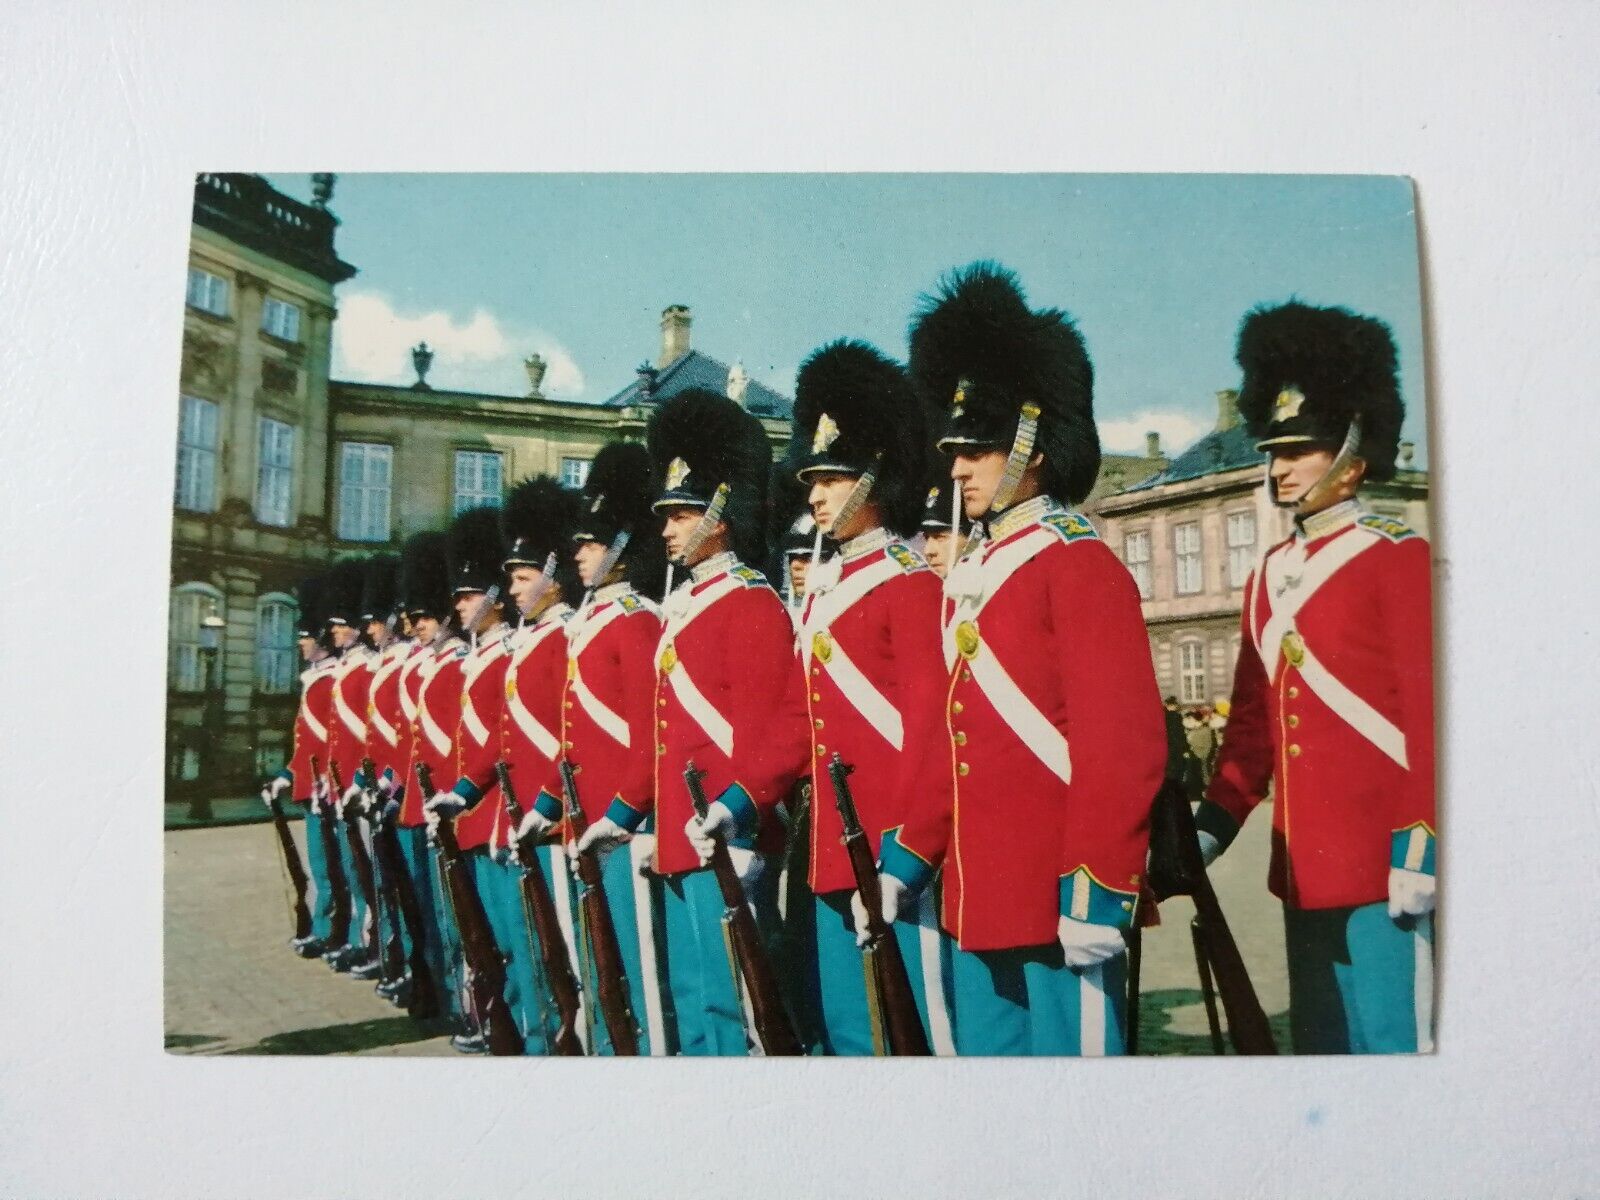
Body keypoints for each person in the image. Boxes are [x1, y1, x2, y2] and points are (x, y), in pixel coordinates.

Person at [871, 262, 1166, 1056]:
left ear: (1033, 445)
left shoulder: (1078, 565)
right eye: (953, 448)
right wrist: (910, 854)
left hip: (1061, 894)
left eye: (979, 448)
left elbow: (1121, 748)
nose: (957, 466)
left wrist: (1099, 891)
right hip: (979, 892)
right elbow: (949, 735)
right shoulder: (973, 575)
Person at [1195, 301, 1435, 1054]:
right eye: (1275, 449)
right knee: (1325, 1051)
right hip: (1303, 866)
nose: (1281, 466)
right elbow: (1253, 726)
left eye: (1303, 448)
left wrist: (1419, 849)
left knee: (1395, 1047)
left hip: (1384, 862)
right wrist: (1212, 826)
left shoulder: (1396, 557)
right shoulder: (1269, 575)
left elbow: (1428, 720)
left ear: (1355, 452)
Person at [581, 388, 810, 1056]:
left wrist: (740, 815)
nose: (666, 529)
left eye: (681, 514)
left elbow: (772, 735)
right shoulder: (689, 605)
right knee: (697, 1002)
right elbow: (665, 733)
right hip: (684, 836)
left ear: (719, 510)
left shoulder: (753, 605)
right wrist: (626, 814)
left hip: (728, 839)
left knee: (741, 1011)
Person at [783, 339, 953, 1056]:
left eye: (832, 475)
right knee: (852, 1034)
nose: (815, 493)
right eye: (812, 477)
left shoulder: (912, 585)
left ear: (873, 475)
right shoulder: (830, 590)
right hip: (831, 844)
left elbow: (930, 730)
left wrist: (906, 859)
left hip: (891, 850)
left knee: (914, 1035)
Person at [423, 506, 546, 1054]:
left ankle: (532, 1032)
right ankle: (505, 1023)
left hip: (504, 808)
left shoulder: (507, 654)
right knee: (492, 937)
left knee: (524, 941)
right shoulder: (481, 659)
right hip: (477, 811)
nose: (460, 605)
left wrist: (472, 794)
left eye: (472, 594)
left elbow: (508, 740)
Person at [559, 442, 669, 1054]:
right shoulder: (596, 618)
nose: (579, 553)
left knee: (641, 970)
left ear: (625, 546)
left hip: (625, 823)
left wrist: (624, 809)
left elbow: (650, 732)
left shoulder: (635, 619)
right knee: (600, 961)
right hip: (590, 818)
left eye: (594, 542)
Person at [392, 532, 460, 1025]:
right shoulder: (429, 665)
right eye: (413, 620)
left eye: (425, 617)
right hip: (418, 800)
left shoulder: (456, 664)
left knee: (448, 914)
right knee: (420, 905)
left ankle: (452, 995)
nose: (416, 627)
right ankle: (432, 987)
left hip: (448, 804)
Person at [261, 574, 341, 958]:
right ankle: (325, 929)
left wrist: (324, 779)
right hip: (311, 786)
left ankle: (333, 932)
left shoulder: (331, 682)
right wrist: (285, 776)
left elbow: (336, 742)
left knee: (332, 869)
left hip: (328, 787)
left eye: (307, 637)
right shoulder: (314, 682)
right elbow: (306, 743)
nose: (301, 643)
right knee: (320, 867)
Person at [319, 557, 376, 974]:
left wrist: (364, 783)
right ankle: (363, 938)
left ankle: (374, 943)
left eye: (344, 624)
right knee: (354, 870)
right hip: (342, 784)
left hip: (365, 786)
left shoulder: (365, 668)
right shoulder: (344, 668)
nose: (336, 632)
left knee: (370, 872)